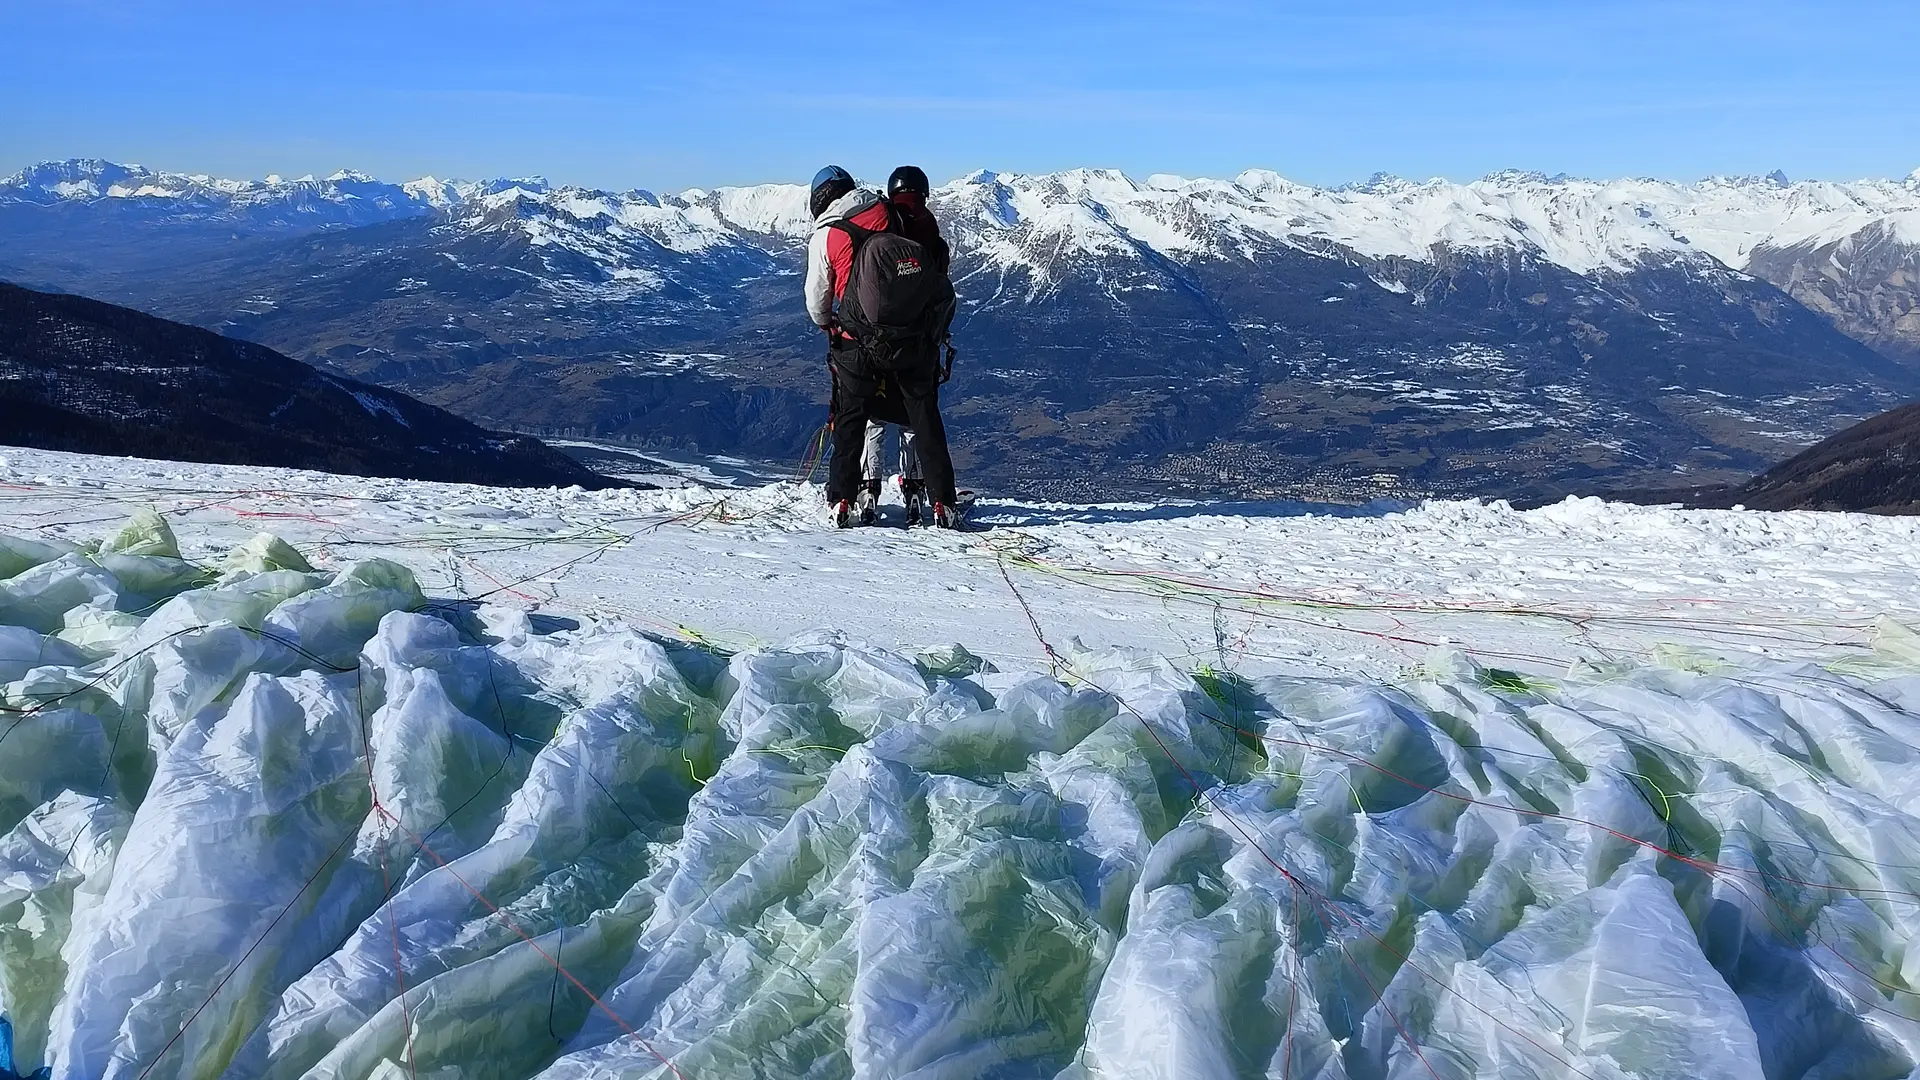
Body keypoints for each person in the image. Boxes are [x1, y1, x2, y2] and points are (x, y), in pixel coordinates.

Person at [804, 165, 961, 529]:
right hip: (913, 339)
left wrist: (829, 322)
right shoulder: (888, 212)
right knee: (924, 418)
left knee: (851, 418)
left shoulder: (828, 234)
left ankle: (842, 498)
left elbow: (817, 301)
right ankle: (943, 503)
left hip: (857, 342)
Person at [859, 165, 954, 524]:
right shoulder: (932, 237)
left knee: (874, 415)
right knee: (916, 418)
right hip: (919, 343)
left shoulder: (880, 233)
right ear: (924, 194)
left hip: (876, 342)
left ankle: (869, 485)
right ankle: (915, 484)